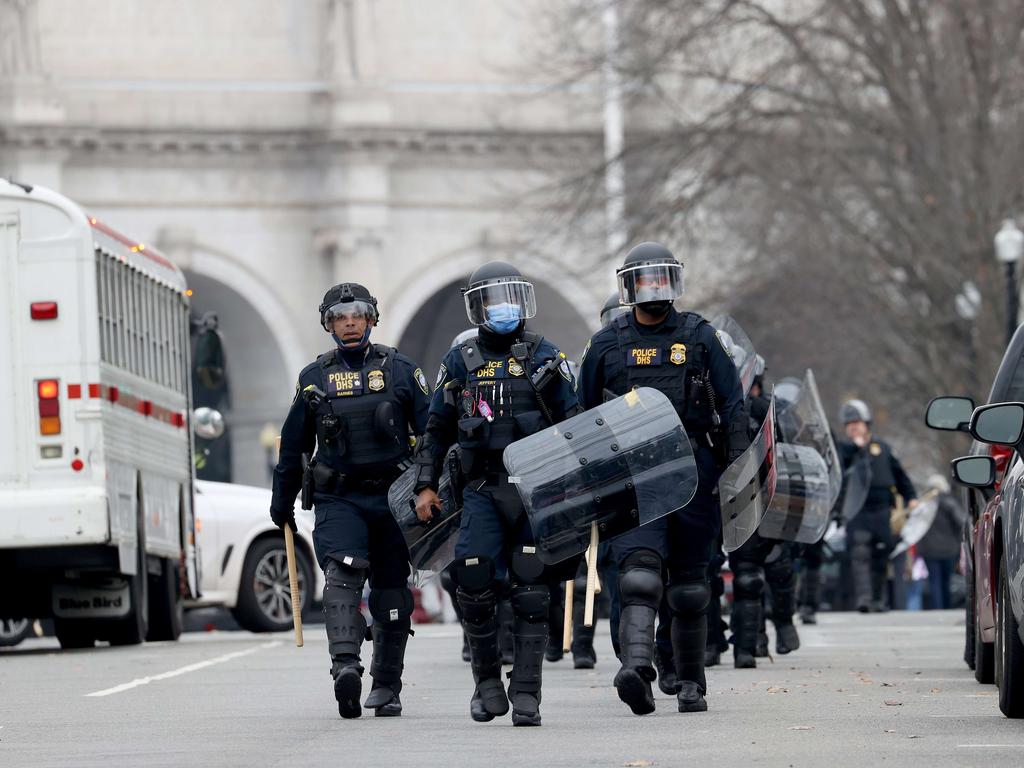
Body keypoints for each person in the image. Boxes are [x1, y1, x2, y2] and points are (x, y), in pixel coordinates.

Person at [578, 242, 747, 715]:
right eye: (644, 280)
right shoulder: (606, 343)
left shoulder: (699, 336)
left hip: (694, 470)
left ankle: (692, 683)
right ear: (628, 287)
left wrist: (734, 466)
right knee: (638, 575)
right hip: (633, 474)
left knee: (691, 583)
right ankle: (637, 669)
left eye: (661, 279)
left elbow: (733, 403)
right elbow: (580, 413)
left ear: (674, 282)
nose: (653, 289)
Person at [412, 261, 579, 727]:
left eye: (511, 297)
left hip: (536, 491)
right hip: (483, 487)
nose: (503, 308)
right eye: (492, 299)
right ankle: (487, 685)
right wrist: (425, 485)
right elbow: (436, 428)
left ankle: (526, 693)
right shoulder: (459, 361)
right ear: (477, 307)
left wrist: (579, 487)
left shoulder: (547, 356)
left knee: (531, 588)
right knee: (473, 577)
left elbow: (576, 422)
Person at [270, 283, 430, 719]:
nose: (350, 323)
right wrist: (281, 500)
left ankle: (387, 686)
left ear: (371, 319)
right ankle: (345, 668)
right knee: (342, 576)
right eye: (340, 317)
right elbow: (293, 445)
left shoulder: (400, 369)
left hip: (394, 497)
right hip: (340, 497)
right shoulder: (313, 377)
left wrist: (431, 485)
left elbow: (434, 432)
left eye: (357, 315)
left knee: (391, 594)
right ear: (329, 325)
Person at [727, 373, 800, 667]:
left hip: (772, 501)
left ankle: (784, 623)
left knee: (780, 566)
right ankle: (750, 642)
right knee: (746, 576)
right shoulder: (723, 409)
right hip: (738, 502)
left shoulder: (766, 410)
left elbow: (789, 450)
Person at [838, 399, 917, 612]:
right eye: (849, 424)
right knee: (860, 554)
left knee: (882, 555)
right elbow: (838, 473)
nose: (853, 426)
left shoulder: (883, 448)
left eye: (857, 422)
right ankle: (864, 599)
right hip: (857, 511)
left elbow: (900, 475)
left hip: (883, 511)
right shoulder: (844, 451)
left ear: (867, 423)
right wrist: (855, 450)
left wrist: (910, 496)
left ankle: (877, 599)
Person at [917, 474, 966, 610]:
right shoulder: (949, 502)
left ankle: (937, 608)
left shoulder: (923, 504)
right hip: (949, 549)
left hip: (928, 549)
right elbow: (961, 522)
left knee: (934, 580)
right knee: (946, 580)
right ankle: (946, 607)